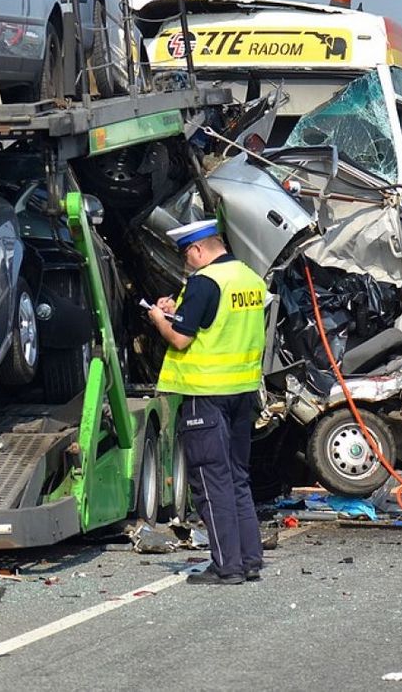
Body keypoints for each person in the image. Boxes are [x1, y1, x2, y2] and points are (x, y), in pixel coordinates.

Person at [150, 219, 267, 584]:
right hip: (243, 391)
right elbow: (217, 323)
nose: (188, 262)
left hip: (205, 396)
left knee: (210, 482)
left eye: (188, 255)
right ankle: (249, 560)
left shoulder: (204, 282)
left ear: (199, 250)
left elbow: (182, 339)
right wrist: (178, 308)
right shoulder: (249, 278)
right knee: (237, 479)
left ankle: (225, 566)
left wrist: (158, 319)